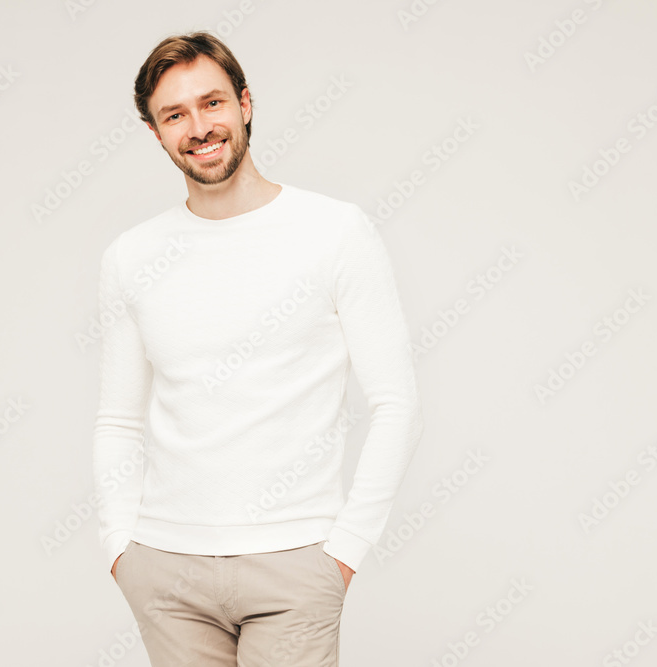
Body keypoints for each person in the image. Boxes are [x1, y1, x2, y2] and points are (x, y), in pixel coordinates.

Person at [92, 31, 424, 666]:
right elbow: (117, 419)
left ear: (245, 103)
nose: (198, 126)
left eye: (212, 102)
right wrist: (120, 549)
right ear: (155, 131)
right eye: (175, 114)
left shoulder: (335, 233)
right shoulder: (130, 257)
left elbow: (397, 404)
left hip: (296, 565)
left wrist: (343, 553)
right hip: (166, 570)